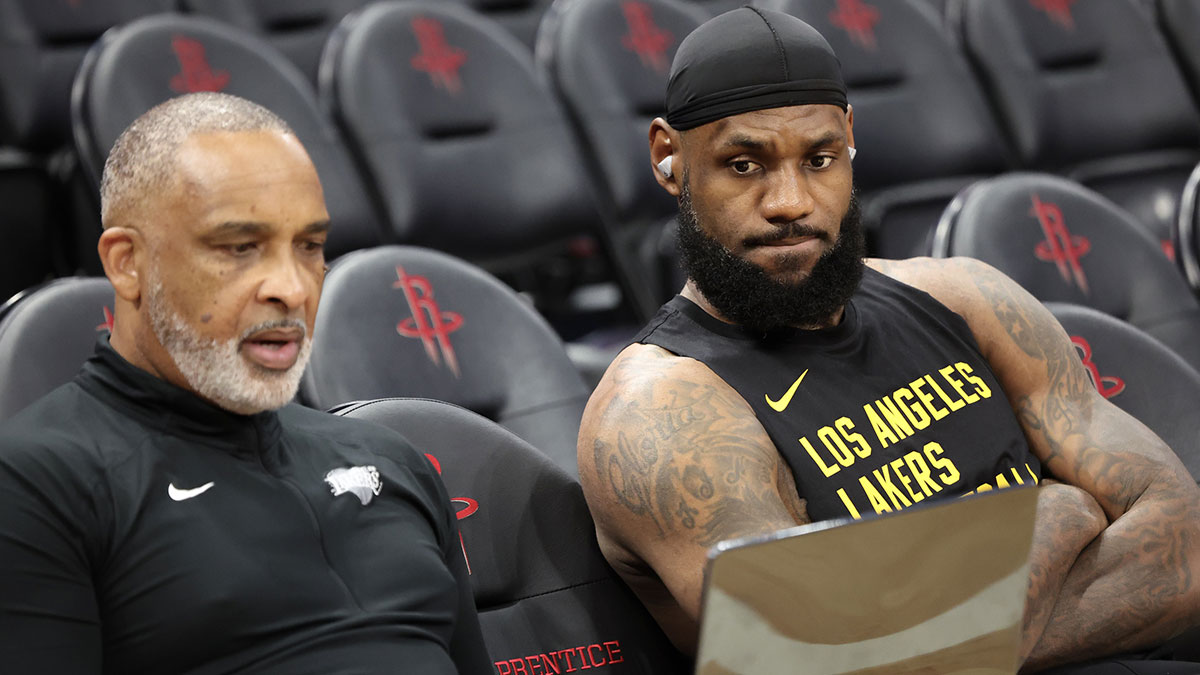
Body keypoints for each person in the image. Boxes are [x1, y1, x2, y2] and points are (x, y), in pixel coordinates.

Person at [576, 7, 1200, 673]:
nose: (790, 201)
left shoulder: (965, 298)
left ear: (848, 138)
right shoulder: (662, 414)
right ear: (669, 158)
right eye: (744, 164)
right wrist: (1058, 514)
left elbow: (1184, 547)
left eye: (819, 159)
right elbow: (832, 661)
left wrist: (972, 638)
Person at [0, 92, 491, 674]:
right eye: (240, 248)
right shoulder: (33, 486)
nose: (292, 287)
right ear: (127, 262)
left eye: (309, 246)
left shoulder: (391, 460)